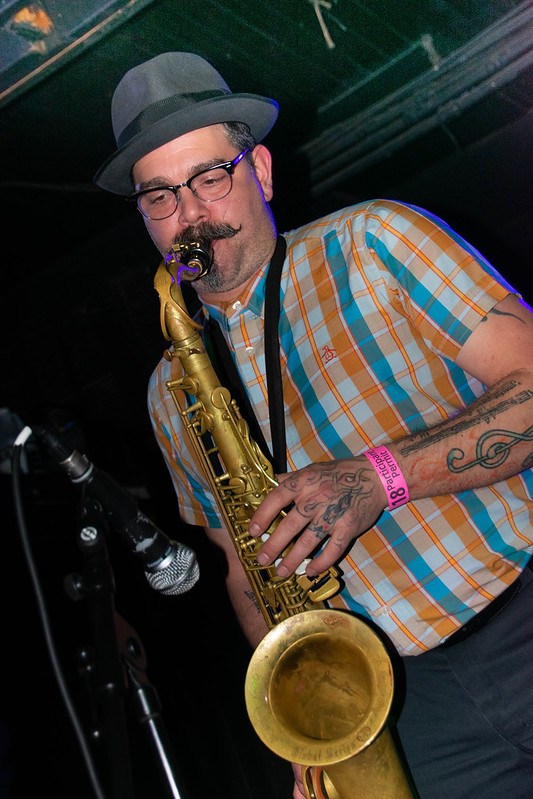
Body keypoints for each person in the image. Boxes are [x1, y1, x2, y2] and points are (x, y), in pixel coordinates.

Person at [94, 52, 533, 798]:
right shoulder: (169, 392)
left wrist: (379, 477)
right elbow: (243, 573)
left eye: (210, 177)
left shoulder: (374, 241)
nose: (190, 214)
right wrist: (303, 719)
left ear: (260, 172)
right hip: (400, 713)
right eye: (160, 195)